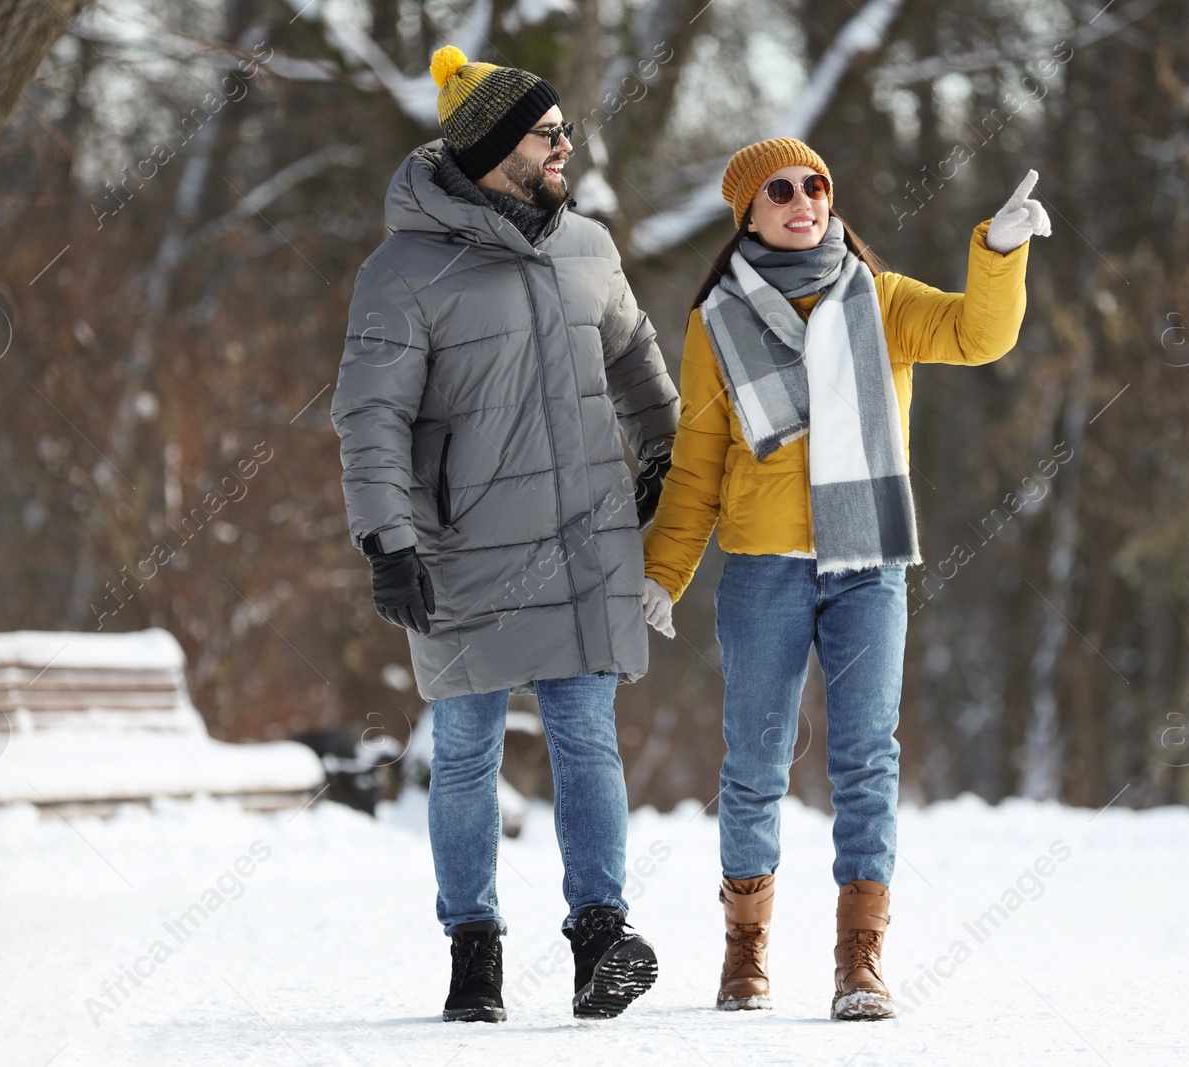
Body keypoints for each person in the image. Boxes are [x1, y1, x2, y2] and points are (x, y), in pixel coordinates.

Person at [638, 137, 1049, 1019]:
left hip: (869, 565)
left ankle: (859, 960)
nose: (804, 199)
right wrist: (661, 574)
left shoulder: (882, 297)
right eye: (780, 190)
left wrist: (1000, 250)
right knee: (754, 762)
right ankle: (744, 951)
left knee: (866, 759)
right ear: (747, 211)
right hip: (763, 567)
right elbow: (696, 463)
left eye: (817, 184)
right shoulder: (716, 320)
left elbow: (977, 335)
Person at [330, 45, 679, 1023]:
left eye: (563, 129)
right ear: (490, 148)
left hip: (584, 533)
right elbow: (369, 416)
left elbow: (637, 362)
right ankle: (473, 949)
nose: (566, 143)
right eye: (545, 132)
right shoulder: (402, 271)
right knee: (468, 746)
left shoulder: (589, 248)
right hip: (462, 545)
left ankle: (599, 935)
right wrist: (386, 540)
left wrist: (665, 453)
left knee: (584, 735)